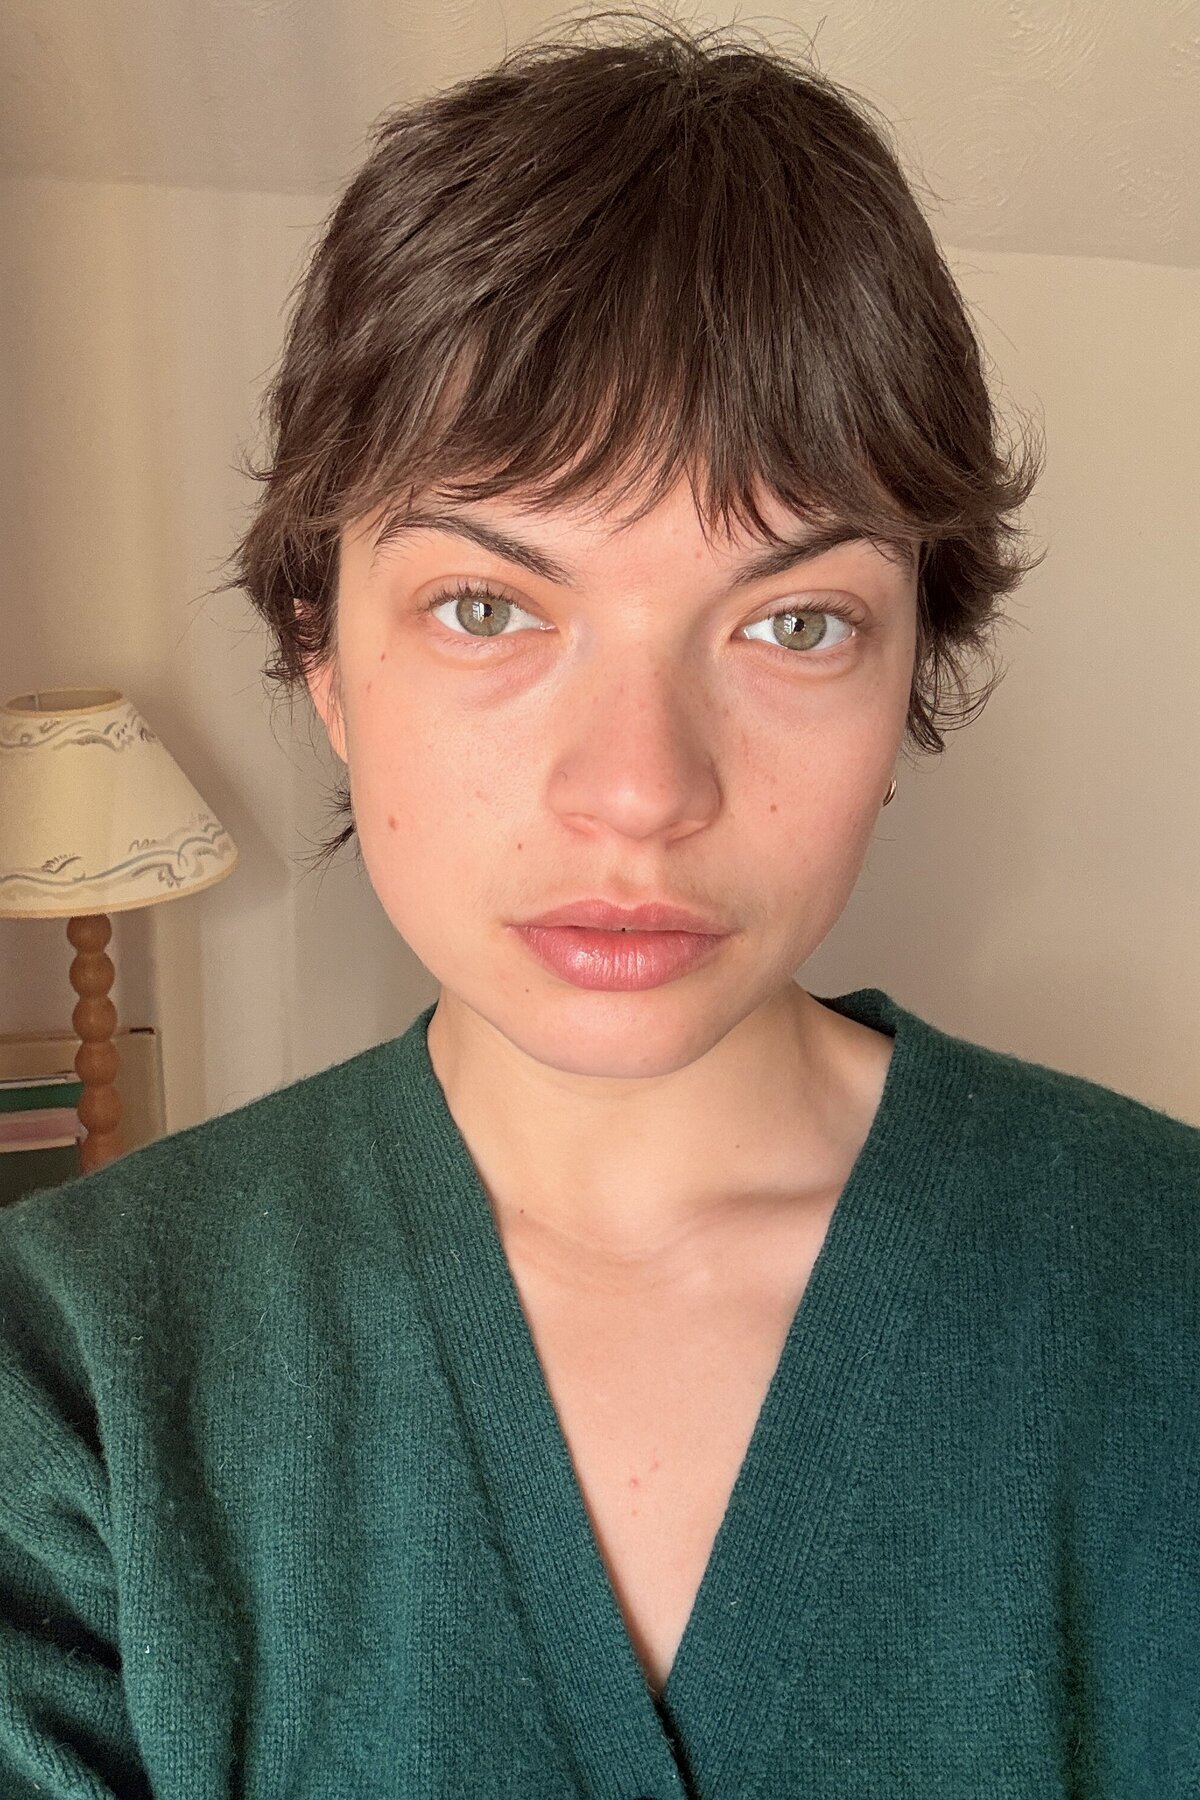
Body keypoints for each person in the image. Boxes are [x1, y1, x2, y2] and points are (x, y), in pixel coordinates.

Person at [1, 11, 1197, 1798]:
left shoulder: (1165, 1295)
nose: (641, 788)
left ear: (908, 684)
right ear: (323, 658)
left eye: (795, 622)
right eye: (489, 607)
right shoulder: (79, 1370)